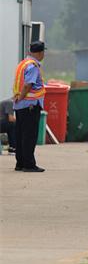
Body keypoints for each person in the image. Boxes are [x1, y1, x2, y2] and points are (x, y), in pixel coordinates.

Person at [11, 41, 47, 172]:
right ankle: (29, 164)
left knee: (20, 135)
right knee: (29, 136)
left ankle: (20, 163)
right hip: (30, 105)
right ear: (40, 53)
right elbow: (28, 85)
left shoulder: (22, 64)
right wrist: (21, 97)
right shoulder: (32, 66)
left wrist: (18, 99)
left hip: (20, 106)